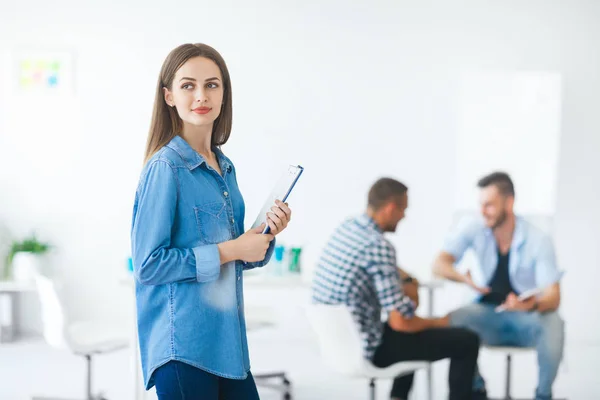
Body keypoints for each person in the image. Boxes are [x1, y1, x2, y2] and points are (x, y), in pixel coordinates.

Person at [130, 43, 293, 399]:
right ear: (169, 95)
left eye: (212, 85)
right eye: (188, 85)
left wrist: (262, 237)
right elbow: (148, 265)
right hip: (184, 348)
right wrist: (232, 248)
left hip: (228, 346)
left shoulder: (224, 166)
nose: (201, 95)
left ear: (224, 94)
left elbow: (232, 257)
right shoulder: (165, 168)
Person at [312, 178, 480, 400]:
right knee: (466, 340)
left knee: (409, 336)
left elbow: (384, 269)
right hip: (368, 349)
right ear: (391, 208)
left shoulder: (349, 228)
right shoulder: (379, 246)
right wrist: (439, 320)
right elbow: (402, 322)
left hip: (342, 343)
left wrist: (406, 278)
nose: (404, 216)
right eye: (403, 209)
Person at [433, 171, 564, 400]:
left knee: (554, 323)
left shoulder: (538, 239)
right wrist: (462, 278)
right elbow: (439, 264)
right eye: (481, 205)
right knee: (454, 320)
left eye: (490, 205)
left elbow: (553, 295)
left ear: (509, 202)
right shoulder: (476, 226)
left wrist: (531, 305)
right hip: (487, 314)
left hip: (525, 319)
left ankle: (543, 395)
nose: (483, 211)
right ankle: (477, 390)